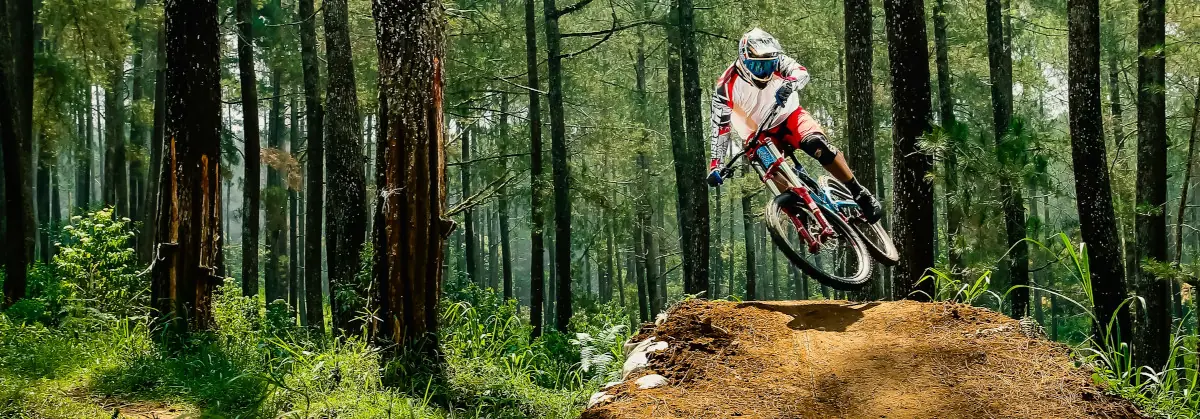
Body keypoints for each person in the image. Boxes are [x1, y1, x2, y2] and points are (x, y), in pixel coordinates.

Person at [706, 28, 883, 224]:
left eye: (769, 67)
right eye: (757, 67)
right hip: (757, 135)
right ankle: (800, 211)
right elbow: (720, 129)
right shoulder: (726, 86)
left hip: (790, 116)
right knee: (770, 169)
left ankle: (860, 193)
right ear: (743, 60)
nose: (764, 73)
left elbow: (800, 72)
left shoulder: (779, 60)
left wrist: (790, 83)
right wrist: (716, 165)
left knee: (817, 144)